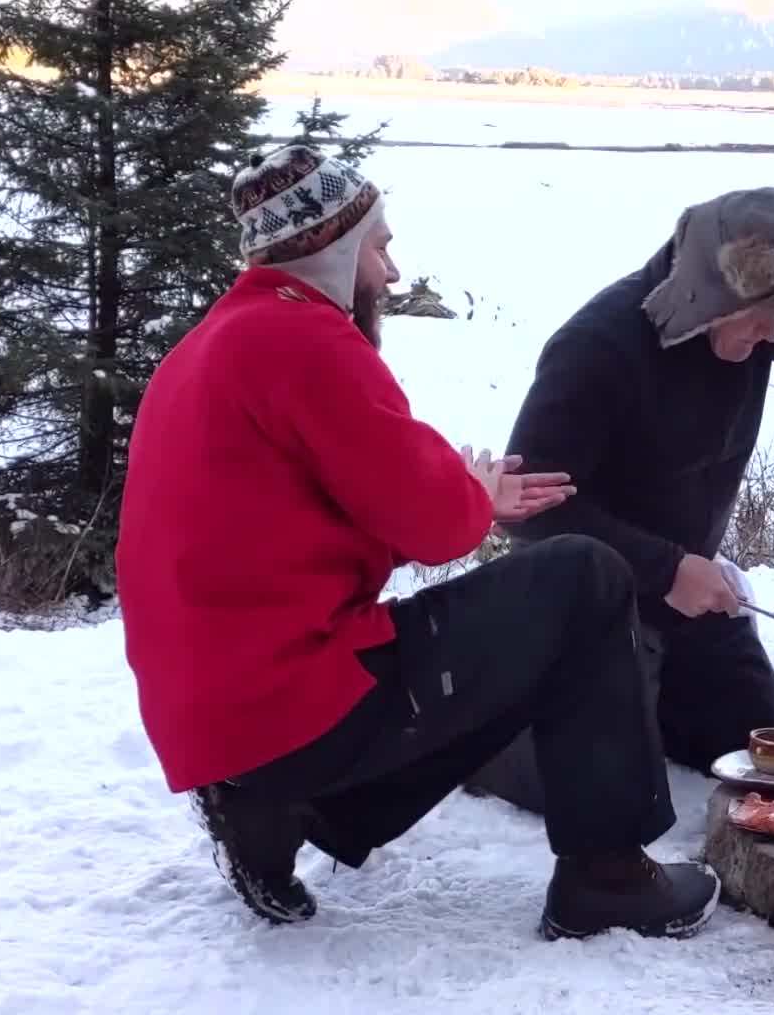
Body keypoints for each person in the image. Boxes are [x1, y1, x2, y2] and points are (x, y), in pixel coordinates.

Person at [115, 145, 719, 940]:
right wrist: (469, 498)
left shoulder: (212, 346)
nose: (392, 272)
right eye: (379, 247)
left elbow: (298, 526)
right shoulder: (307, 342)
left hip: (219, 722)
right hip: (284, 704)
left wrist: (468, 499)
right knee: (586, 579)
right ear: (333, 252)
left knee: (503, 631)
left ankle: (277, 807)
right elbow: (434, 527)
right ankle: (606, 876)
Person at [470, 186, 774, 812]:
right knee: (600, 794)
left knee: (773, 763)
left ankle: (649, 707)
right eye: (762, 319)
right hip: (588, 601)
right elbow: (534, 511)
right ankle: (489, 733)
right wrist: (665, 569)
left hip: (694, 598)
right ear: (708, 295)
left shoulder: (763, 313)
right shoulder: (597, 347)